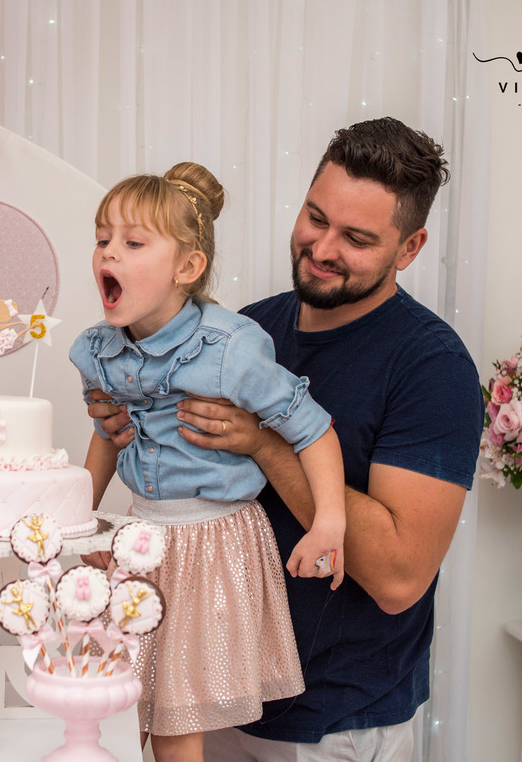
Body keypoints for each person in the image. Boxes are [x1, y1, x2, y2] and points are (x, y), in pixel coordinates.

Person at [89, 117, 483, 761]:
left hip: (332, 726)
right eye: (315, 217)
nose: (322, 248)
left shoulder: (431, 367)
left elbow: (399, 577)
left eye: (356, 238)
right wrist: (123, 427)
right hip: (208, 692)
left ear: (409, 248)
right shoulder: (243, 331)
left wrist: (265, 444)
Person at [69, 162, 347, 762]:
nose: (108, 253)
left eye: (133, 243)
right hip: (140, 536)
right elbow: (108, 434)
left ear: (187, 268)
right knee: (108, 709)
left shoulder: (228, 349)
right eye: (102, 239)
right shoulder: (99, 350)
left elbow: (313, 428)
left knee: (176, 728)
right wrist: (78, 520)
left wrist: (329, 521)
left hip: (211, 546)